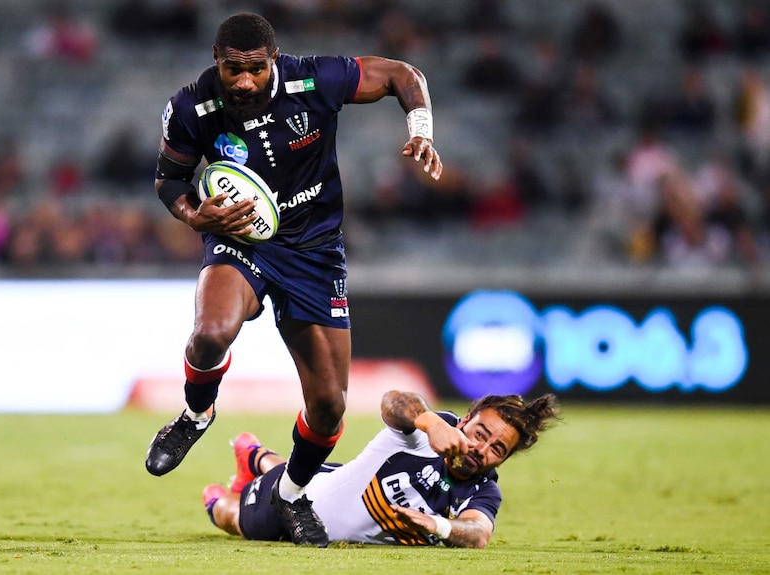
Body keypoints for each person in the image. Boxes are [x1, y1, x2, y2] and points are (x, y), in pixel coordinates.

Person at [143, 12, 443, 548]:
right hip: (242, 240)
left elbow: (402, 74)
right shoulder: (191, 107)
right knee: (209, 333)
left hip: (314, 252)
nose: (242, 81)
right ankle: (195, 413)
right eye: (232, 68)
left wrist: (420, 130)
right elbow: (169, 180)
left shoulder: (316, 80)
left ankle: (293, 493)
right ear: (217, 60)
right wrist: (194, 216)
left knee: (329, 406)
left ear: (272, 61)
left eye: (254, 69)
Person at [201, 389, 559, 548]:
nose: (481, 450)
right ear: (464, 420)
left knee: (325, 474)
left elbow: (478, 533)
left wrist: (438, 524)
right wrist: (430, 422)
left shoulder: (483, 490)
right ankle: (231, 483)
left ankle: (256, 455)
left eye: (497, 449)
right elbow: (392, 401)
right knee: (233, 519)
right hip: (298, 501)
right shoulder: (429, 430)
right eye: (480, 433)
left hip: (336, 482)